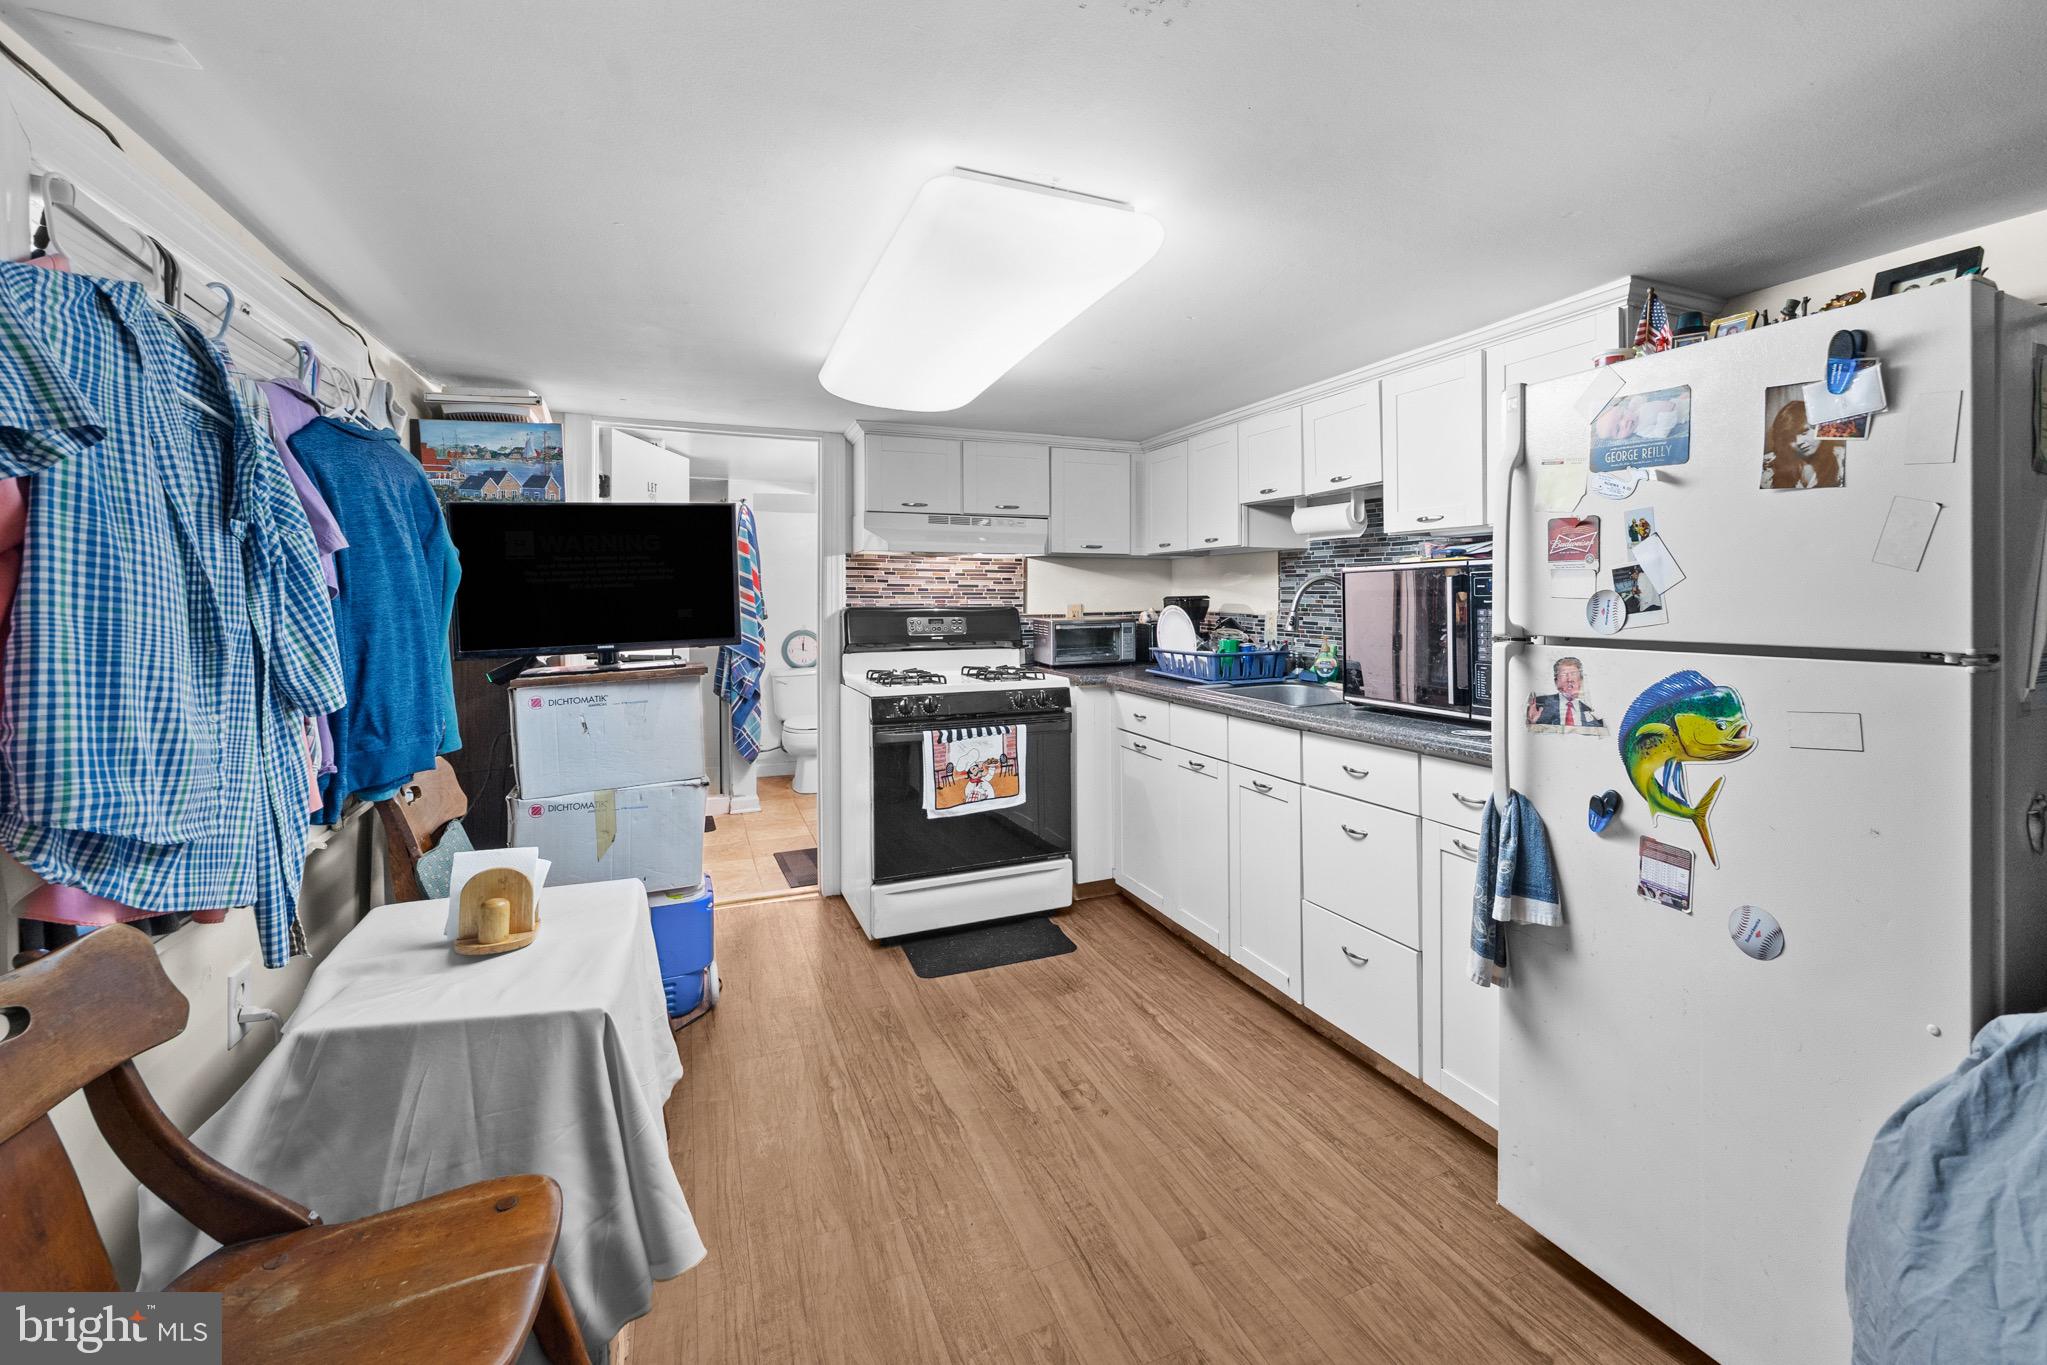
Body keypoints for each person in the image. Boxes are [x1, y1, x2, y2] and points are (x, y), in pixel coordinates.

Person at [1527, 656, 1602, 729]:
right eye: (1564, 674)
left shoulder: (1590, 712)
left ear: (1581, 681)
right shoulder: (1539, 704)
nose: (1569, 679)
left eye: (1574, 674)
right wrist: (1532, 724)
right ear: (1556, 682)